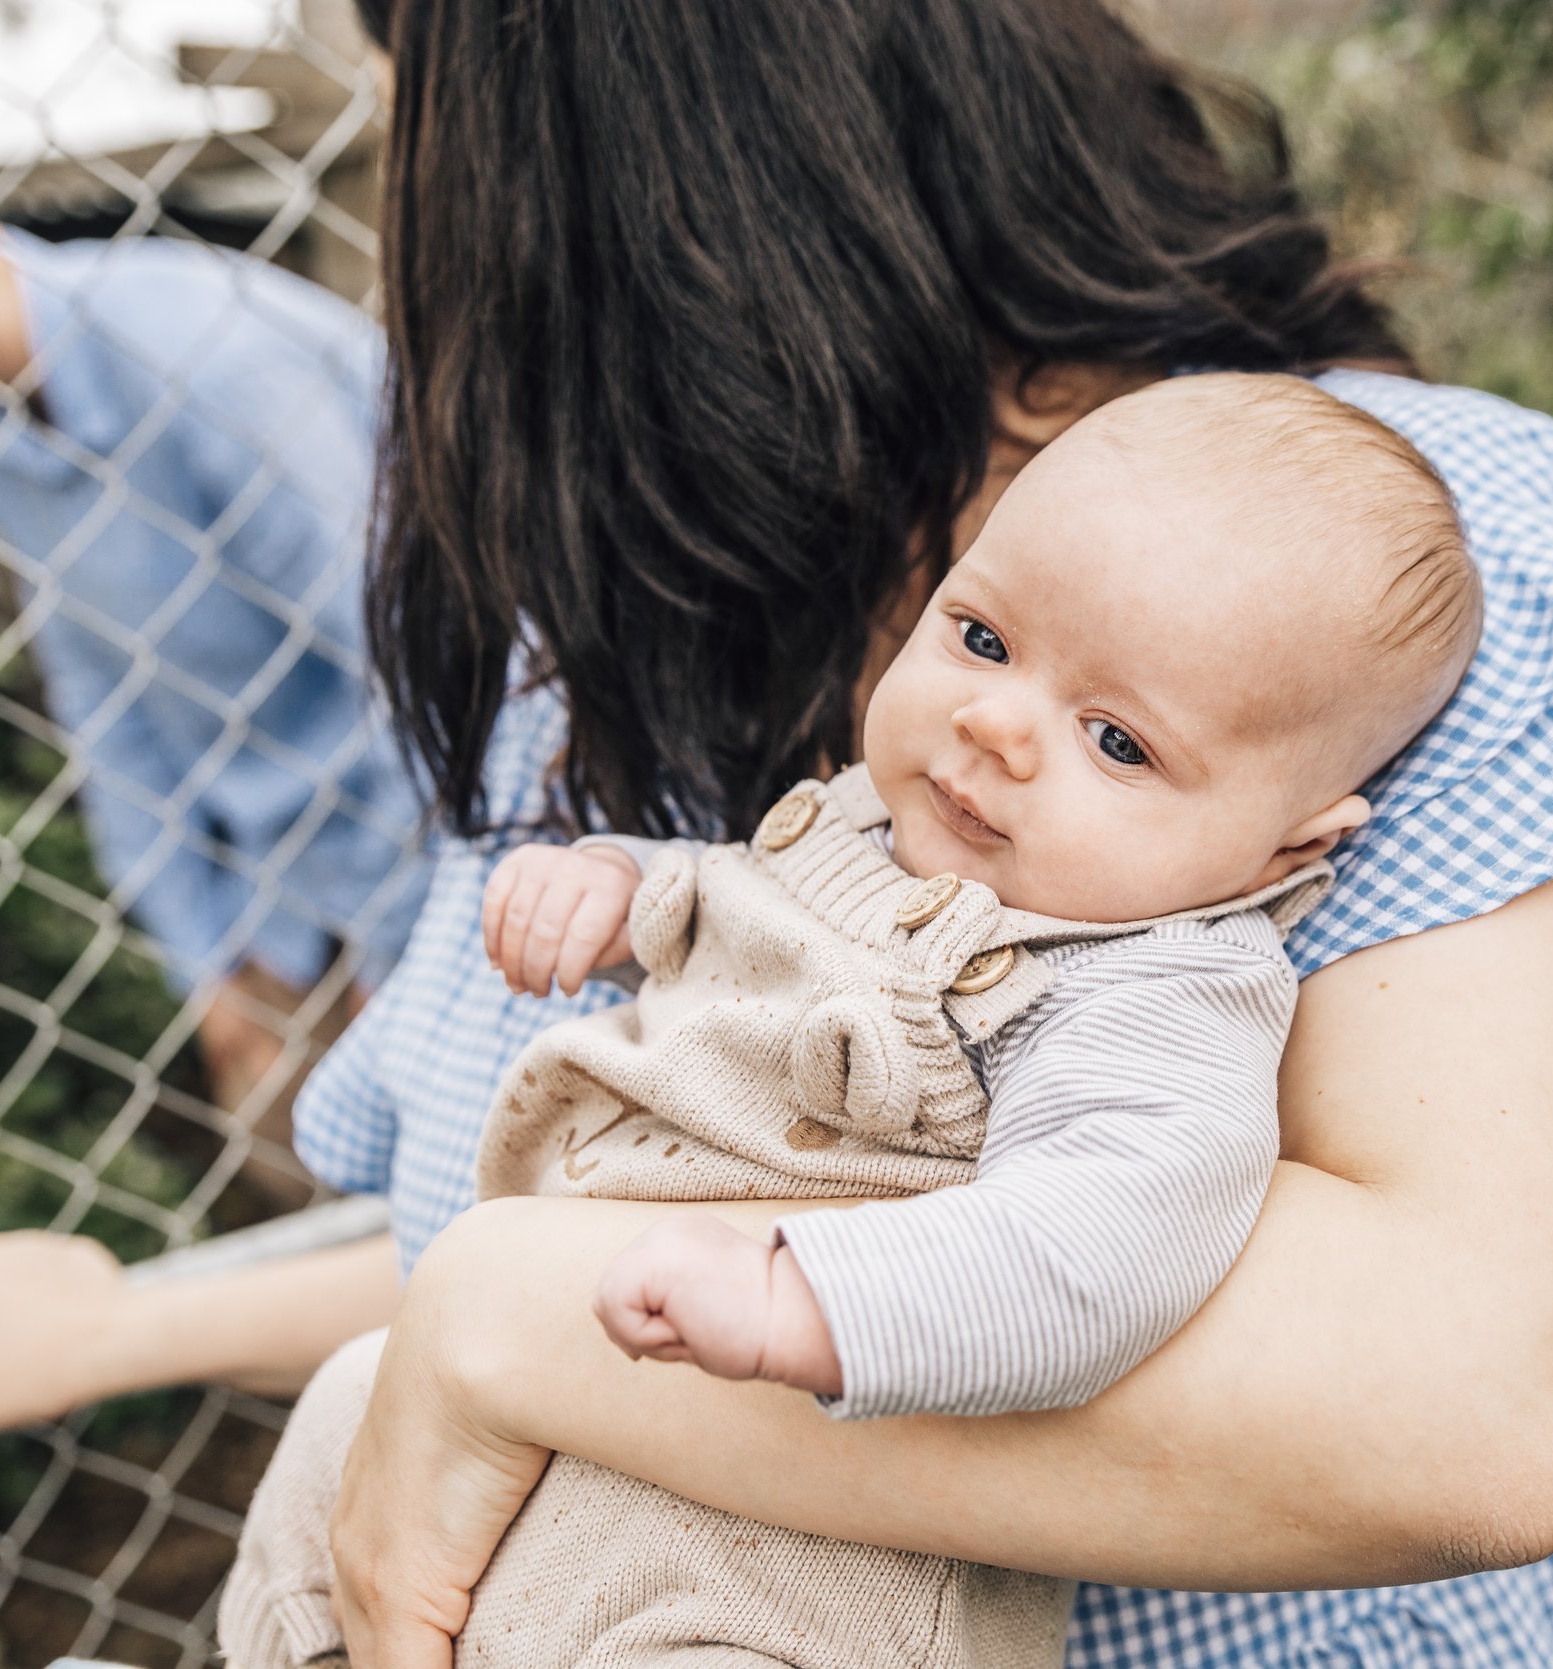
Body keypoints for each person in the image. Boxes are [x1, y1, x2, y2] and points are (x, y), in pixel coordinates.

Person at [0, 4, 1553, 1666]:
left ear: (646, 185)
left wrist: (517, 1332)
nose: (417, 210)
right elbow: (600, 1197)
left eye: (429, 110)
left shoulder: (1365, 572)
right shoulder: (629, 659)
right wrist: (127, 1327)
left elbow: (1454, 1406)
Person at [215, 374, 1484, 1669]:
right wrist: (625, 891)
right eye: (985, 640)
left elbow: (1107, 1240)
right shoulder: (882, 822)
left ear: (1289, 842)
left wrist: (808, 1299)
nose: (996, 726)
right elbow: (748, 908)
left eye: (1116, 740)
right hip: (583, 1424)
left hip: (807, 1564)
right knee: (339, 1414)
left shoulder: (1150, 987)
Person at [0, 88, 431, 1190]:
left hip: (467, 856)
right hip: (285, 895)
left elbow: (430, 671)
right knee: (292, 1166)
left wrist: (400, 945)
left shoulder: (205, 360)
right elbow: (109, 708)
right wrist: (211, 967)